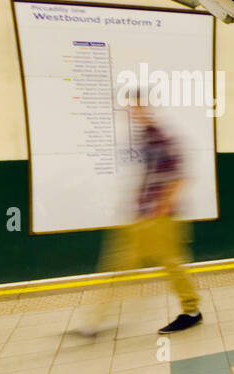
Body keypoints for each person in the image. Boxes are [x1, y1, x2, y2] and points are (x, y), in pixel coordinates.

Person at [80, 86, 203, 336]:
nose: (134, 111)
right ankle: (94, 321)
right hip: (145, 214)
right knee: (124, 262)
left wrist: (161, 206)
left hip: (159, 217)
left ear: (149, 106)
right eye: (132, 107)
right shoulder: (145, 136)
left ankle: (191, 311)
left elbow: (181, 176)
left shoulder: (161, 137)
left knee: (164, 263)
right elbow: (150, 176)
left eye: (139, 105)